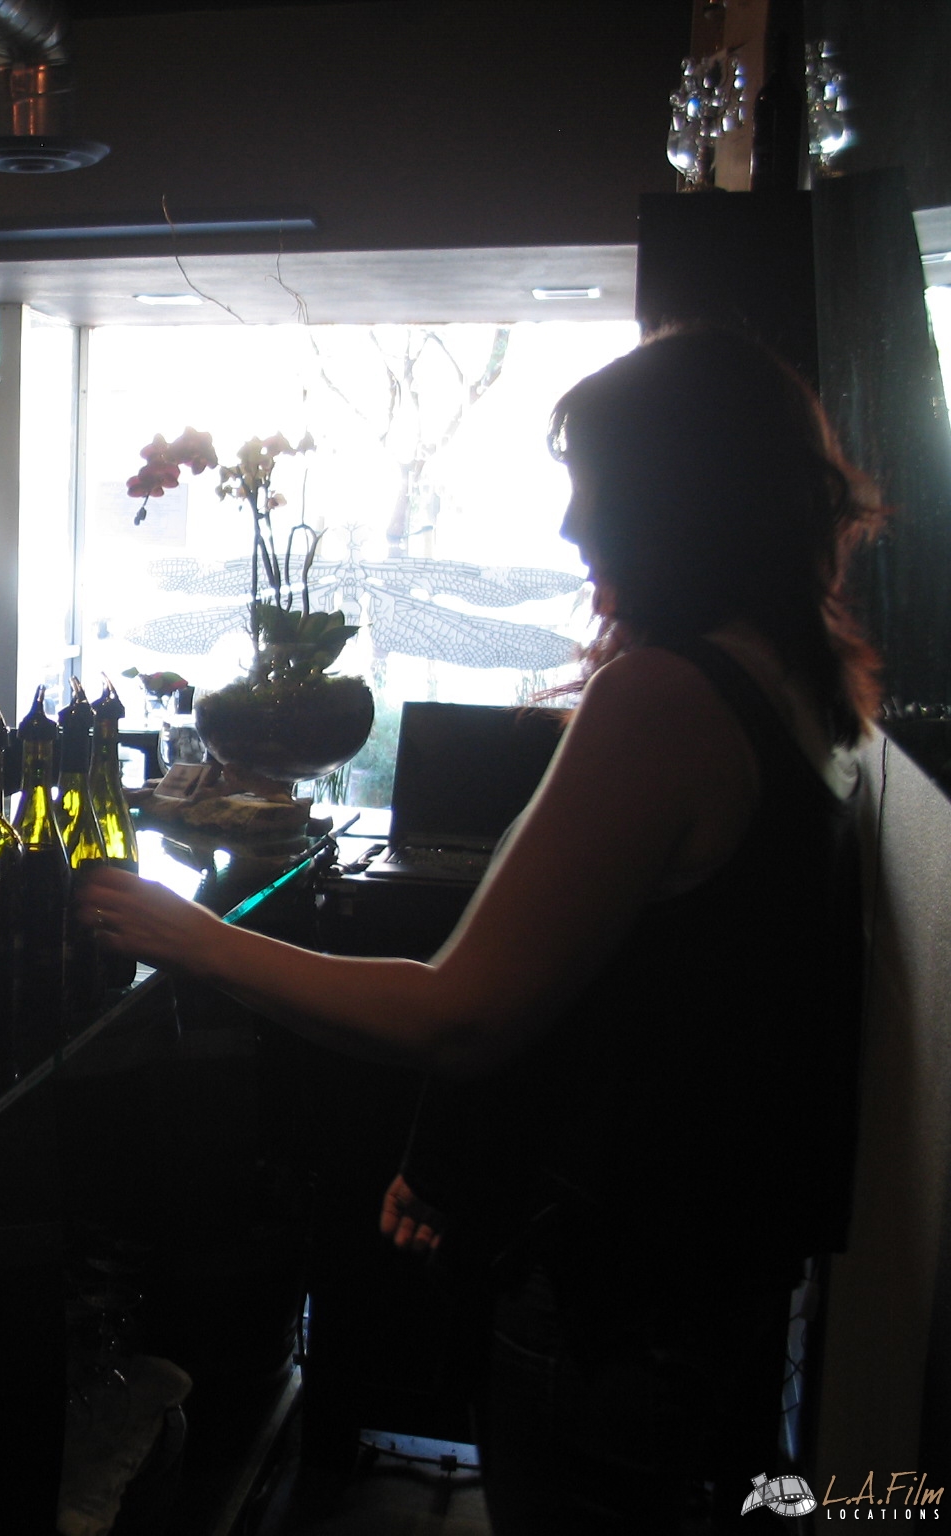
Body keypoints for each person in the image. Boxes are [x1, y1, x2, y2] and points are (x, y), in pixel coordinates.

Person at [75, 326, 879, 1532]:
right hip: (709, 1288)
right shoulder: (794, 682)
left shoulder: (664, 697)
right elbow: (637, 992)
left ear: (675, 497)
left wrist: (187, 938)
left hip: (612, 1299)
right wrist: (459, 1154)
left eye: (591, 485)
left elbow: (460, 1013)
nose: (571, 522)